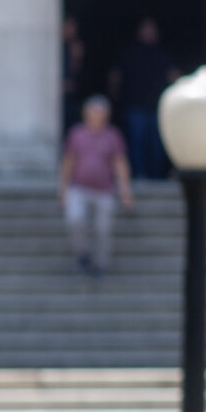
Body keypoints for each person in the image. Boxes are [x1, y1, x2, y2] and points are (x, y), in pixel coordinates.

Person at [59, 94, 134, 279]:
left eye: (100, 113)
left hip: (104, 190)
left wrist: (125, 190)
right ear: (85, 113)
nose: (96, 116)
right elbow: (68, 161)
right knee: (74, 219)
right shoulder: (76, 134)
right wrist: (63, 189)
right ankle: (82, 253)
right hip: (79, 188)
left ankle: (101, 263)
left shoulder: (113, 136)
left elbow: (119, 163)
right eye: (93, 112)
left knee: (103, 228)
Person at [112, 17, 177, 180]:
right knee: (136, 144)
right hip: (135, 106)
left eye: (151, 29)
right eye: (145, 29)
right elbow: (115, 77)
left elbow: (175, 77)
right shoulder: (129, 54)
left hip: (158, 107)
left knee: (157, 145)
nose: (148, 33)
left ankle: (156, 176)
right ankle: (139, 175)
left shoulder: (163, 55)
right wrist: (117, 96)